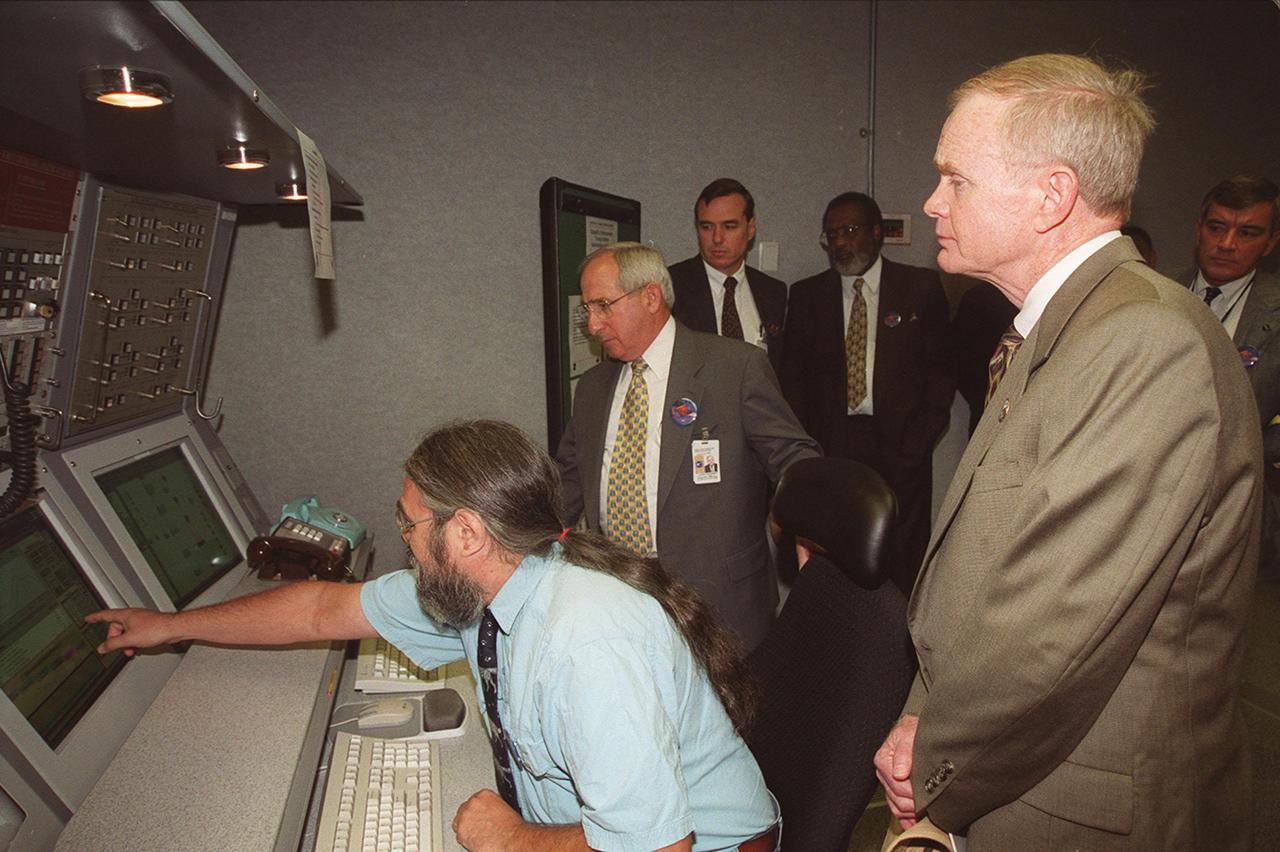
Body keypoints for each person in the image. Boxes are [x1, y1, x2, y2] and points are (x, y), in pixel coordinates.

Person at [874, 54, 1260, 850]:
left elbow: (1054, 634)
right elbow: (982, 569)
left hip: (1083, 802)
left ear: (1052, 196)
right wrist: (921, 707)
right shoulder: (1065, 330)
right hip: (1021, 768)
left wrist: (934, 767)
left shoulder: (1145, 339)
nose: (932, 201)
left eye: (956, 178)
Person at [87, 420, 781, 852]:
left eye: (410, 526)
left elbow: (660, 848)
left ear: (468, 533)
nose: (406, 544)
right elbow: (322, 612)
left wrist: (511, 840)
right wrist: (171, 627)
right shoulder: (488, 582)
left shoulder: (586, 641)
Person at [557, 242, 819, 652]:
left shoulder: (734, 369)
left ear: (650, 297)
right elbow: (566, 485)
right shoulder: (592, 390)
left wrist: (811, 523)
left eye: (603, 306)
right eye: (587, 310)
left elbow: (793, 458)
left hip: (719, 607)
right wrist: (512, 539)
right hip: (621, 602)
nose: (593, 325)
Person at [780, 191, 955, 595]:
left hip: (901, 446)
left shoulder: (920, 287)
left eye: (850, 231)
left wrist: (918, 442)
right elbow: (793, 382)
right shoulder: (807, 296)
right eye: (831, 235)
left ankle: (899, 649)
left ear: (877, 233)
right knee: (835, 558)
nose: (840, 243)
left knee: (903, 557)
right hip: (833, 448)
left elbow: (942, 372)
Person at [1181, 175, 1280, 576]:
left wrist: (1237, 454)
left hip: (1237, 515)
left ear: (1271, 243)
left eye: (1248, 232)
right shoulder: (1151, 293)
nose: (1226, 244)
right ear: (1198, 229)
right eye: (1217, 228)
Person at [669, 178, 787, 373]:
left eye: (729, 226)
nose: (717, 238)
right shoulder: (670, 286)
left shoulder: (773, 292)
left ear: (750, 229)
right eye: (707, 227)